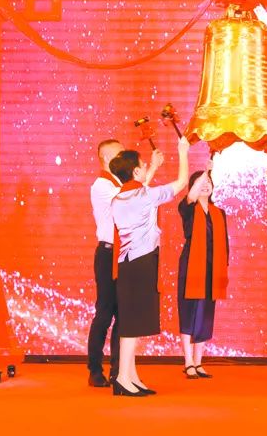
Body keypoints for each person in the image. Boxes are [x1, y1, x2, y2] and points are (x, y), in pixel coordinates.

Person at [110, 137, 190, 397]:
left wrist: (153, 167)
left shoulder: (119, 198)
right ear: (135, 171)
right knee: (132, 324)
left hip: (128, 264)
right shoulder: (144, 196)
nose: (146, 167)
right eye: (143, 165)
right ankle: (123, 378)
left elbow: (141, 190)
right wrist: (183, 152)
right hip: (142, 263)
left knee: (130, 322)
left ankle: (130, 376)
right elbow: (181, 183)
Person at [86, 139, 163, 387]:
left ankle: (119, 371)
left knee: (125, 314)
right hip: (108, 254)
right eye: (120, 154)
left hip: (126, 253)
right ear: (108, 159)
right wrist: (151, 170)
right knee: (105, 312)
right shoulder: (101, 185)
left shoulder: (122, 184)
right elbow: (133, 198)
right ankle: (94, 368)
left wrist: (150, 171)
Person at [177, 168, 229, 379]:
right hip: (191, 266)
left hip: (212, 269)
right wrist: (206, 170)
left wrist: (224, 270)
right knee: (189, 311)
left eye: (209, 181)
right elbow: (191, 196)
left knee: (205, 314)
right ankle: (188, 362)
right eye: (200, 182)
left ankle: (198, 362)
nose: (205, 184)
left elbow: (224, 244)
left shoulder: (219, 213)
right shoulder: (188, 208)